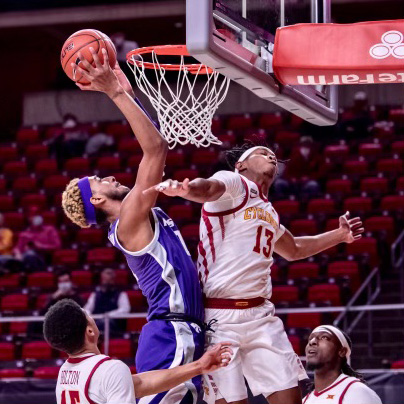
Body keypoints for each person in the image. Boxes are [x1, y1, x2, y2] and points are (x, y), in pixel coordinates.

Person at [147, 143, 365, 404]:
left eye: (273, 155)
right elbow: (208, 188)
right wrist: (187, 189)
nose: (271, 156)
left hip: (261, 316)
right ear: (241, 165)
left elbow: (294, 248)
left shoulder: (269, 211)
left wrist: (340, 235)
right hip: (220, 318)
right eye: (262, 153)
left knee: (290, 399)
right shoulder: (234, 182)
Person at [61, 48, 205, 404]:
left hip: (181, 328)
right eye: (98, 180)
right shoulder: (128, 220)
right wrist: (114, 93)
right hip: (171, 332)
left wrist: (126, 91)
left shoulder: (132, 216)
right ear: (96, 201)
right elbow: (156, 148)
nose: (108, 176)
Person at [44, 299, 232, 404]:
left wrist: (199, 366)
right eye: (88, 315)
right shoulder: (109, 369)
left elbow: (141, 383)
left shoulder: (66, 372)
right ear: (90, 331)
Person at [303, 325, 382, 404]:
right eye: (310, 339)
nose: (312, 342)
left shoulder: (357, 392)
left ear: (342, 351)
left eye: (324, 337)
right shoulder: (305, 401)